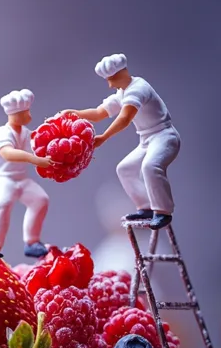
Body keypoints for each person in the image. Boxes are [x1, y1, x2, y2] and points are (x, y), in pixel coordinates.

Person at [69, 53, 180, 230]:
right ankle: (146, 207)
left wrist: (104, 137)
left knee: (150, 167)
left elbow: (125, 118)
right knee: (125, 169)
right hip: (146, 140)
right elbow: (99, 113)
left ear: (122, 73)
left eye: (111, 79)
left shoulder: (138, 88)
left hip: (164, 136)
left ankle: (163, 211)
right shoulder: (122, 93)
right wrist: (75, 113)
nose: (110, 84)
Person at [0, 89, 52, 260]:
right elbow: (8, 153)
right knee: (3, 203)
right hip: (4, 179)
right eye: (24, 113)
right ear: (13, 114)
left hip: (22, 180)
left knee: (40, 199)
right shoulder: (1, 133)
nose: (28, 116)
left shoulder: (26, 133)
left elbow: (37, 146)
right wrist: (35, 160)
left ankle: (32, 242)